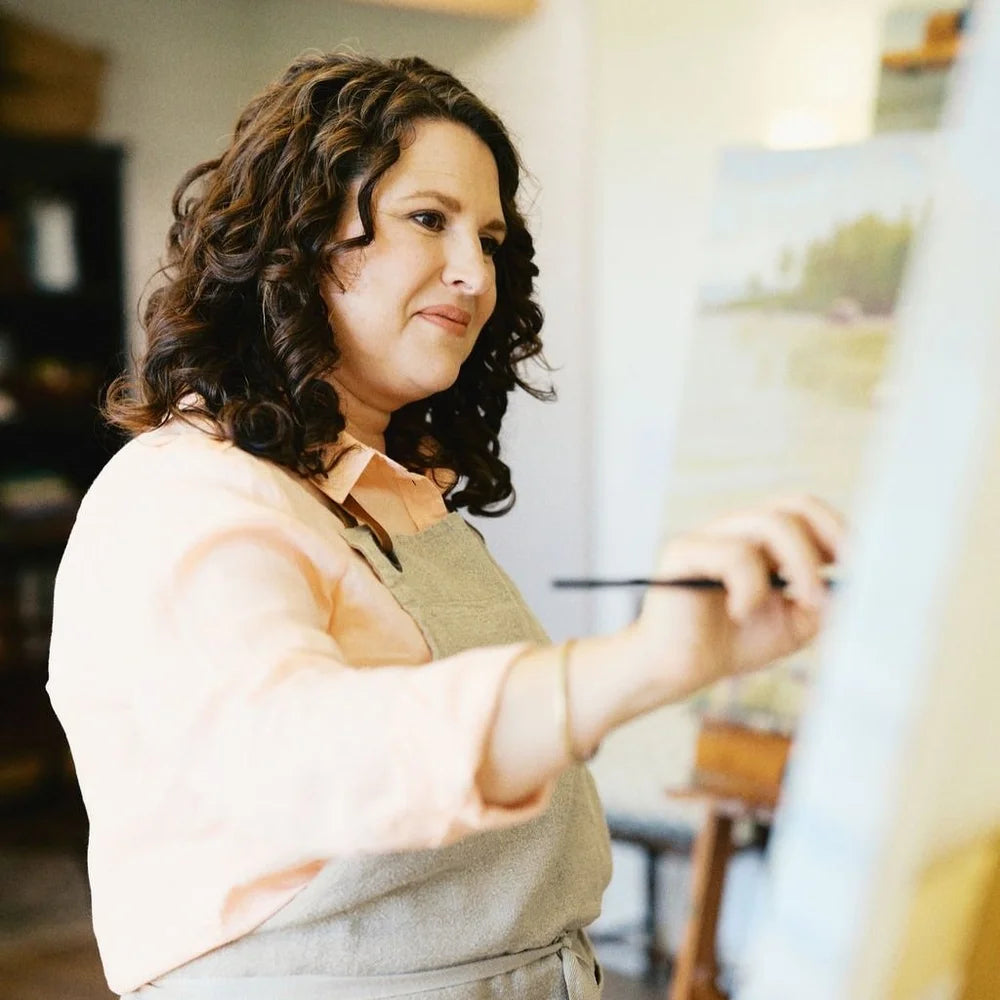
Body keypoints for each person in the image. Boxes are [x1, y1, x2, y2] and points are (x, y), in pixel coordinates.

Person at [47, 52, 843, 1000]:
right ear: (297, 235)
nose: (473, 273)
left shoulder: (393, 490)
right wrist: (641, 663)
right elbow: (296, 755)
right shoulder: (185, 494)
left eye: (490, 239)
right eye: (429, 219)